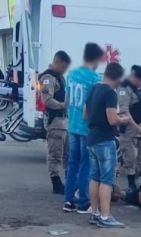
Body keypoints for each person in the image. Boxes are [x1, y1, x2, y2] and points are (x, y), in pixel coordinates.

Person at [85, 62, 132, 228]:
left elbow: (86, 114)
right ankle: (105, 217)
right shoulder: (110, 93)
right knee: (106, 179)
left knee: (94, 177)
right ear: (117, 77)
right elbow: (112, 120)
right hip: (105, 139)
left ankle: (94, 213)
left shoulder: (94, 89)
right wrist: (123, 119)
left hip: (91, 138)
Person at [63, 43, 104, 213]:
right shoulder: (94, 78)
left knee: (72, 164)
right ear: (95, 59)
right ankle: (84, 202)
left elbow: (66, 101)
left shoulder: (71, 74)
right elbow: (94, 104)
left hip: (72, 125)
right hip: (86, 128)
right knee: (85, 165)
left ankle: (68, 200)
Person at [117, 65, 141, 191]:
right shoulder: (124, 87)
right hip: (129, 127)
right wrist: (135, 127)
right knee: (130, 156)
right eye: (140, 80)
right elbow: (124, 111)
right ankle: (131, 184)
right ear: (134, 77)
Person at [40, 51, 72, 194]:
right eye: (63, 67)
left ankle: (69, 180)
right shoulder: (48, 78)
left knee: (67, 153)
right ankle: (56, 182)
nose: (64, 70)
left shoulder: (60, 77)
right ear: (57, 63)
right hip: (55, 121)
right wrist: (63, 105)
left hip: (64, 121)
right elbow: (47, 100)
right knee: (55, 153)